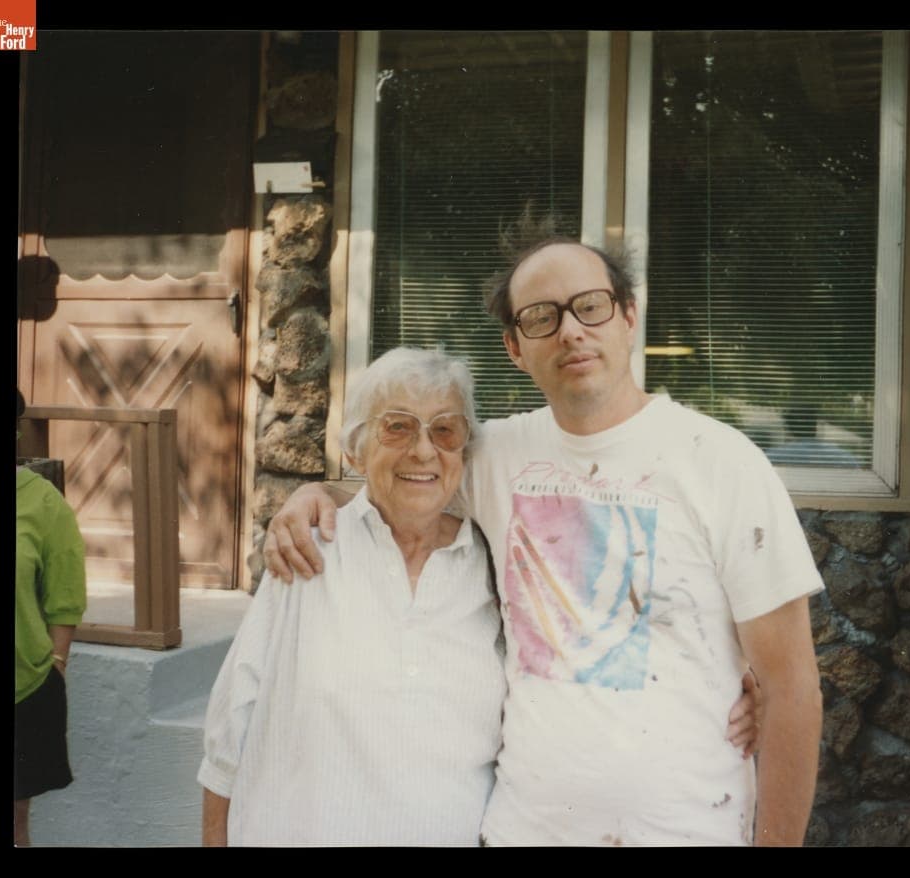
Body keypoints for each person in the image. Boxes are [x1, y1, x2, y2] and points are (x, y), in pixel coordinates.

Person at [266, 237, 824, 845]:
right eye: (542, 316)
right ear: (514, 347)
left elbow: (792, 685)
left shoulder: (722, 463)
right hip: (525, 831)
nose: (571, 331)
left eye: (591, 306)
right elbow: (406, 478)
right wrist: (314, 495)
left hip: (688, 830)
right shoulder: (494, 457)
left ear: (628, 317)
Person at [197, 348, 507, 845]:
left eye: (444, 430)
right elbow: (228, 738)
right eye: (397, 427)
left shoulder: (492, 564)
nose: (424, 451)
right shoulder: (308, 548)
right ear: (355, 451)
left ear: (464, 452)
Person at [15, 389, 87, 846]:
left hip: (22, 690)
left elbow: (65, 597)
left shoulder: (42, 503)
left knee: (15, 822)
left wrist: (56, 665)